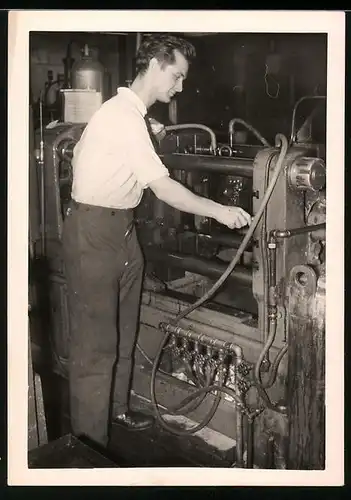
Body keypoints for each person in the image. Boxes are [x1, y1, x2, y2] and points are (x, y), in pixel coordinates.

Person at [62, 34, 252, 450]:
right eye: (177, 76)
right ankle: (88, 444)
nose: (180, 87)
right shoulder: (123, 117)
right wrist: (219, 211)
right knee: (96, 345)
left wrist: (149, 128)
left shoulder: (130, 114)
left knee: (124, 328)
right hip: (95, 231)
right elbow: (163, 188)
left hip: (121, 229)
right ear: (155, 65)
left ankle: (116, 409)